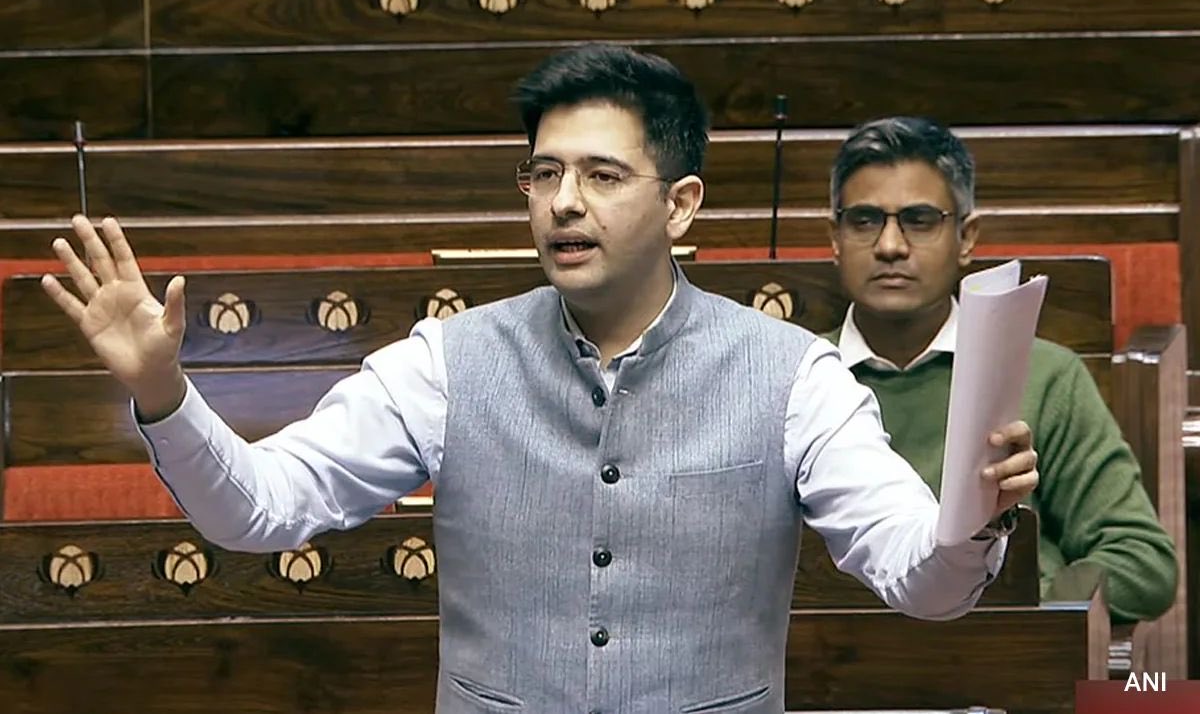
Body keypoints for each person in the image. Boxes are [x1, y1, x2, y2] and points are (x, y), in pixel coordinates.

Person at [42, 46, 1038, 714]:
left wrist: (971, 521)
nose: (563, 203)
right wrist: (167, 393)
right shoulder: (446, 362)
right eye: (543, 174)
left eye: (602, 176)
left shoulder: (794, 378)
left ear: (681, 204)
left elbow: (923, 582)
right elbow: (257, 512)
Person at [822, 115, 1177, 624]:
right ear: (834, 237)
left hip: (1007, 672)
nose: (890, 246)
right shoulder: (793, 375)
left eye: (920, 220)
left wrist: (1024, 605)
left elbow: (1142, 563)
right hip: (822, 678)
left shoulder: (1044, 374)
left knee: (1164, 706)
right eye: (864, 220)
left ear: (967, 238)